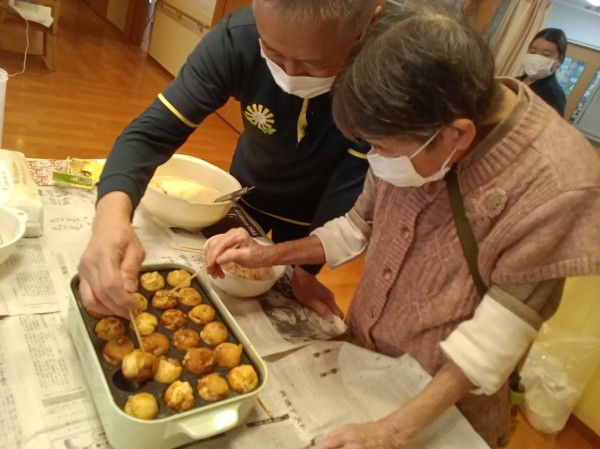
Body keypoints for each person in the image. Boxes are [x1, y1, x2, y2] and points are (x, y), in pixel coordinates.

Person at [205, 7, 600, 448]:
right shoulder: (415, 120)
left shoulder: (559, 183)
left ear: (457, 135)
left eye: (382, 148)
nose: (375, 158)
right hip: (362, 358)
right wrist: (268, 255)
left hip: (442, 406)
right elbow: (356, 227)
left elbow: (493, 342)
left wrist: (392, 432)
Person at [77, 0, 382, 319]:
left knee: (289, 275)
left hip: (316, 211)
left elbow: (348, 188)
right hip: (246, 190)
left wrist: (306, 274)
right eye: (272, 51)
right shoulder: (238, 38)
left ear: (368, 26)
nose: (289, 74)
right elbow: (152, 133)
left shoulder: (382, 76)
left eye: (313, 64)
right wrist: (109, 221)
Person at [518, 28, 567, 116]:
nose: (536, 58)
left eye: (546, 55)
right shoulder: (513, 81)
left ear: (560, 60)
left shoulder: (554, 96)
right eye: (533, 52)